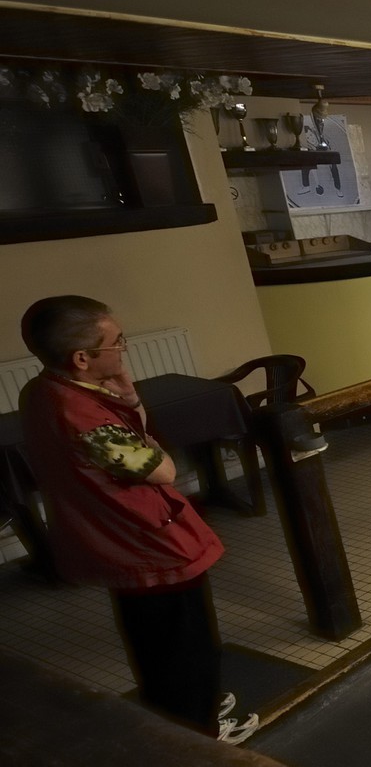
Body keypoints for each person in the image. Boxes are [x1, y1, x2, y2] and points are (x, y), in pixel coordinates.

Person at [19, 296, 256, 743]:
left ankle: (183, 707)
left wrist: (129, 396)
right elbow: (162, 470)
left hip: (113, 538)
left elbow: (136, 440)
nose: (123, 348)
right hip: (146, 543)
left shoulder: (45, 389)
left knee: (153, 638)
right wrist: (142, 427)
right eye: (117, 342)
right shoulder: (86, 417)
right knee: (183, 641)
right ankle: (198, 731)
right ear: (83, 358)